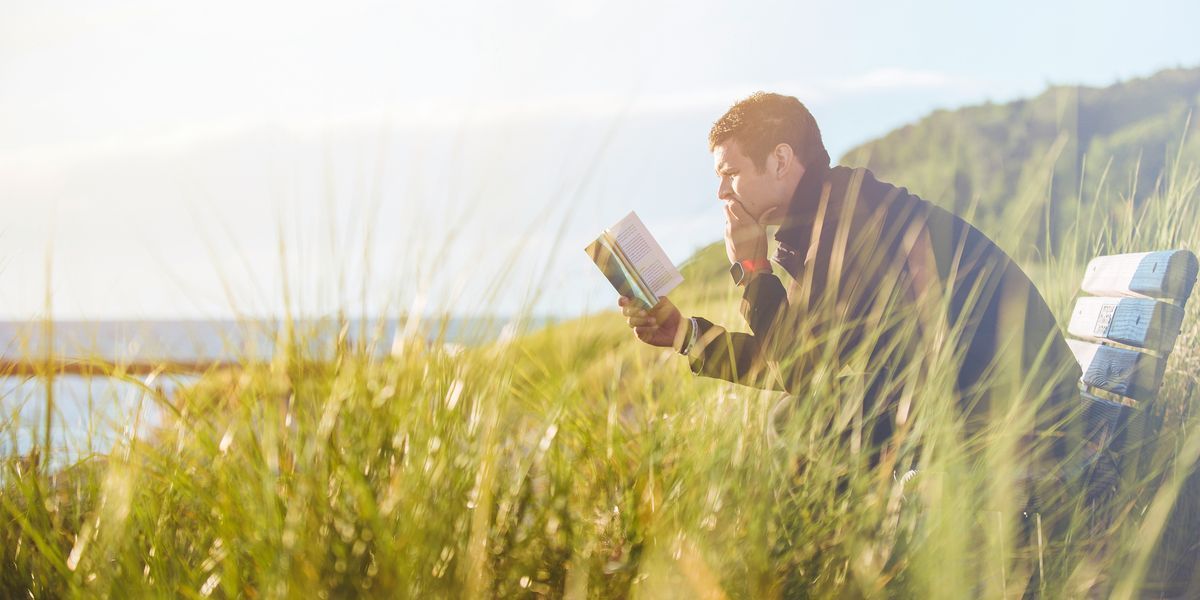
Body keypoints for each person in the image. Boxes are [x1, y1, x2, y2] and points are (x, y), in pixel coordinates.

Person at [618, 92, 1084, 497]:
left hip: (1022, 416)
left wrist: (755, 270)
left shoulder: (848, 220)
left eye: (730, 172)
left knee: (799, 420)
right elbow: (796, 358)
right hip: (983, 398)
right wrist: (683, 333)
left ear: (780, 161)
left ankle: (851, 572)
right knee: (805, 415)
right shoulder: (827, 216)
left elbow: (801, 370)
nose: (720, 191)